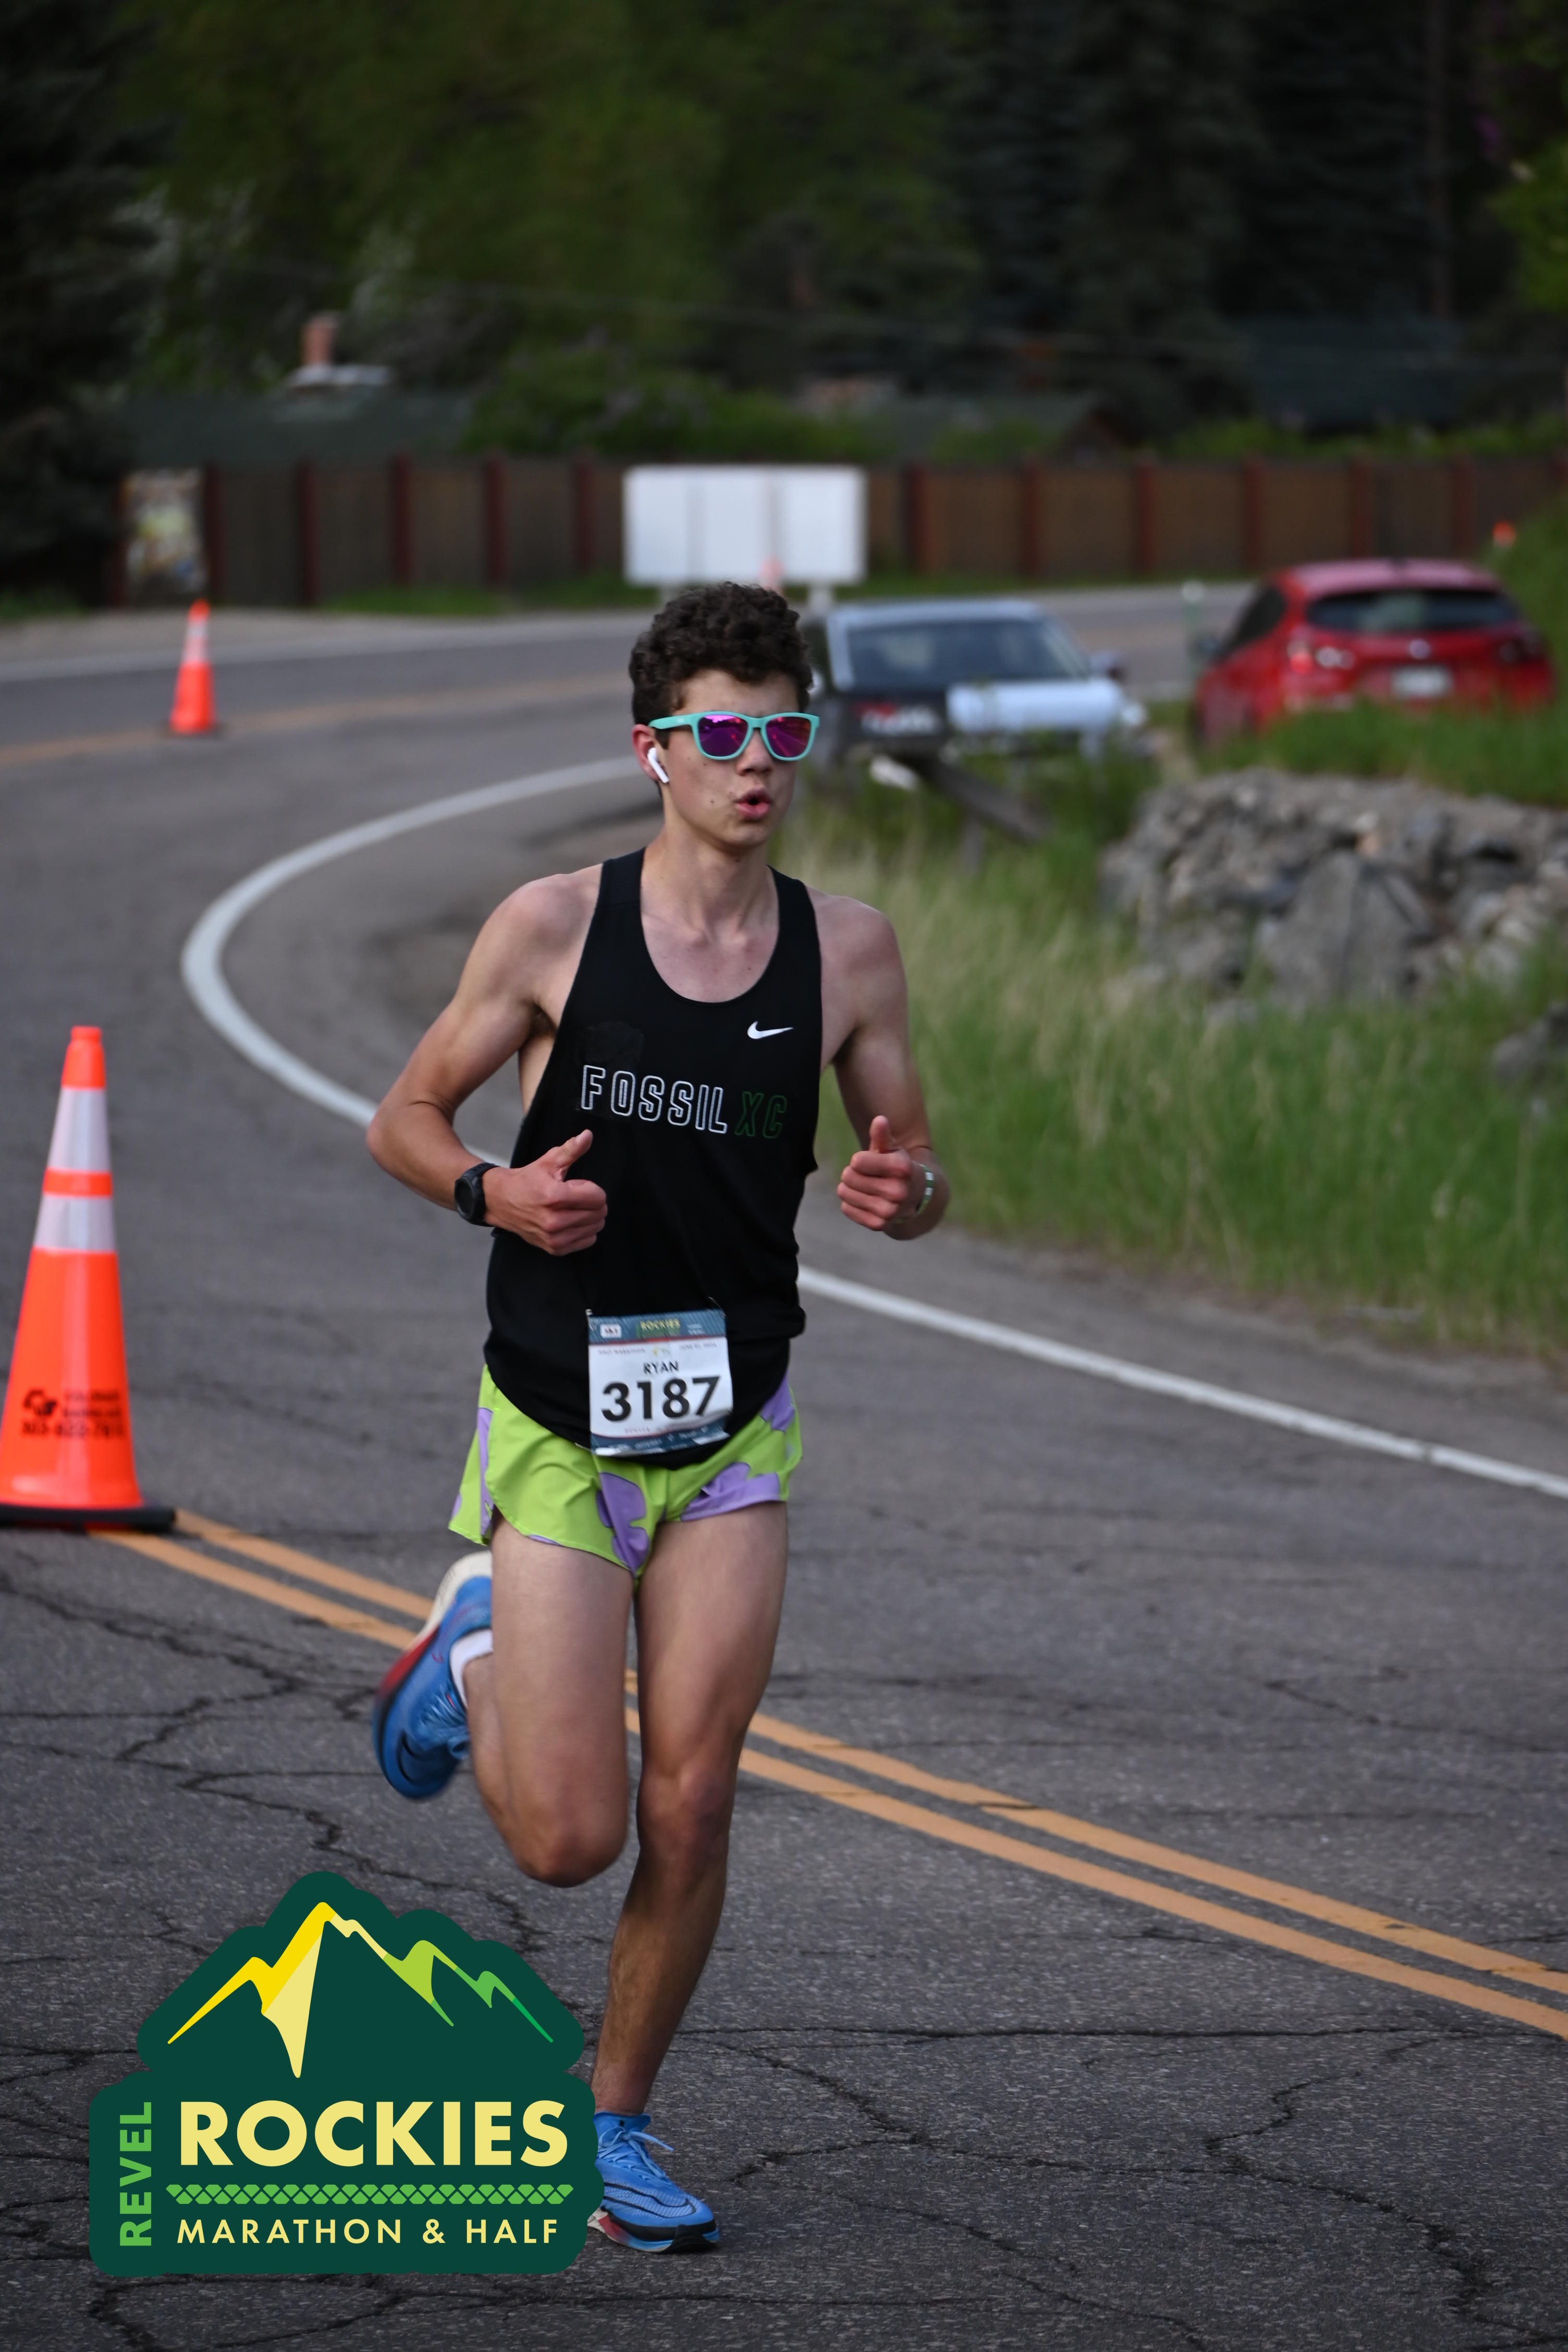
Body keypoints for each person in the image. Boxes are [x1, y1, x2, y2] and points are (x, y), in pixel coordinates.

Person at [366, 581, 947, 2253]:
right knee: (569, 1838)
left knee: (693, 1803)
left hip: (733, 1426)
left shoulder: (849, 950)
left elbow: (916, 1170)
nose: (758, 763)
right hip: (560, 1420)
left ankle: (610, 2130)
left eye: (785, 730)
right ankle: (473, 1647)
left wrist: (905, 1195)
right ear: (656, 751)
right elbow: (404, 1115)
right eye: (723, 733)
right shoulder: (555, 926)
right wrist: (491, 1191)